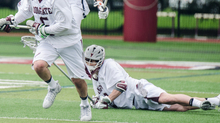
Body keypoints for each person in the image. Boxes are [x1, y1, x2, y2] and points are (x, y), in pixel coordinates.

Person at [0, 0, 92, 121]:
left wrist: (42, 29)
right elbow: (25, 12)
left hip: (69, 40)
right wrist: (11, 21)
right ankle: (53, 87)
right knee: (38, 66)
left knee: (77, 80)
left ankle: (84, 105)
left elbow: (65, 25)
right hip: (48, 40)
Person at [84, 44, 220, 111]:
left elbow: (122, 86)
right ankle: (213, 101)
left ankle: (199, 103)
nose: (90, 63)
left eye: (93, 61)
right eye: (88, 60)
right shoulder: (93, 75)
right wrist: (99, 100)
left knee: (166, 98)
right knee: (177, 108)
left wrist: (106, 100)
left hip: (138, 89)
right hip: (134, 103)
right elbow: (107, 96)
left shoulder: (109, 65)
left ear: (100, 60)